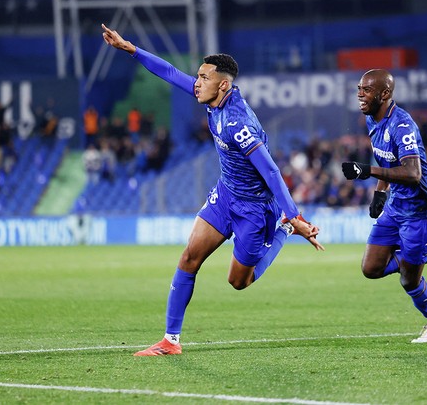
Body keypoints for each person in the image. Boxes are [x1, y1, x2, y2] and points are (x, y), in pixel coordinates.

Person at [101, 23, 325, 356]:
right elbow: (170, 72)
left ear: (222, 85)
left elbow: (273, 172)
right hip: (226, 196)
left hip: (255, 209)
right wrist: (132, 49)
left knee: (238, 281)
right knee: (189, 257)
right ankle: (170, 341)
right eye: (199, 76)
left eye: (203, 78)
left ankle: (283, 231)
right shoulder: (212, 100)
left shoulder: (239, 123)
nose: (196, 82)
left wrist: (296, 216)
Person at [341, 69, 427, 344]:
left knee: (409, 280)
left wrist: (366, 171)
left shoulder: (402, 125)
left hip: (421, 209)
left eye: (366, 90)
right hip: (398, 204)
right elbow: (388, 161)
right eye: (359, 88)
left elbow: (413, 173)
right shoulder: (371, 119)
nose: (360, 94)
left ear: (385, 94)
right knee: (371, 268)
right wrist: (380, 194)